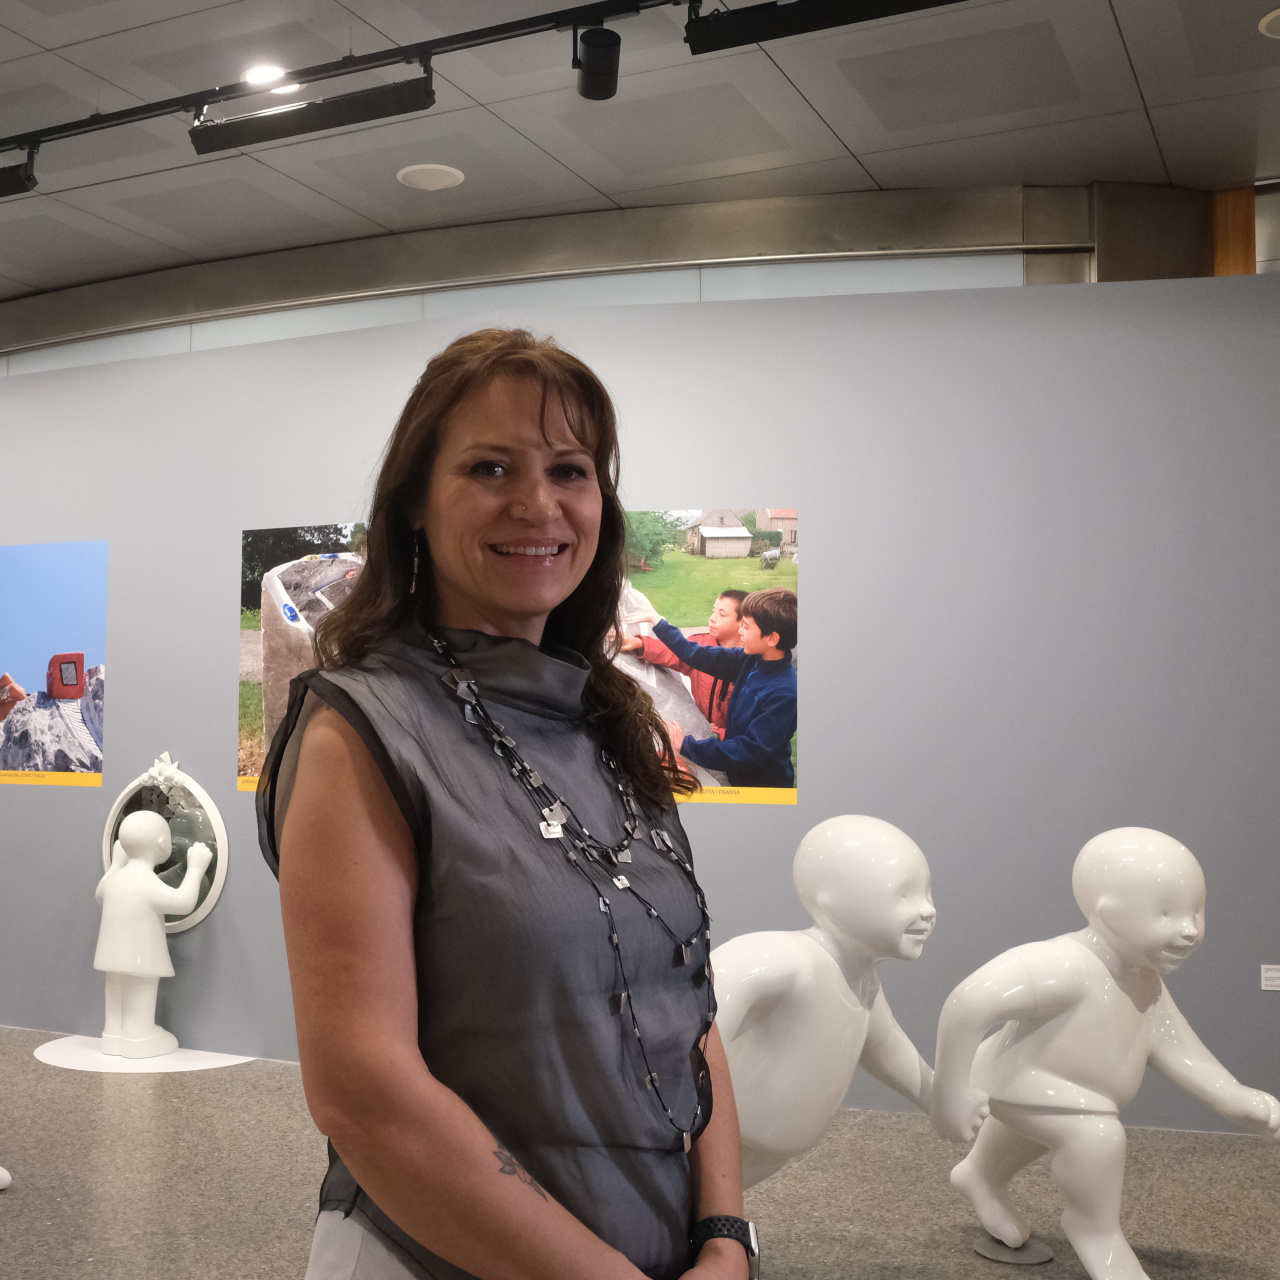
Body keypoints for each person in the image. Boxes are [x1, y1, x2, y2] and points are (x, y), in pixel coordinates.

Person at [257, 329, 753, 1280]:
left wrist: (727, 1235)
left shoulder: (607, 720)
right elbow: (365, 1093)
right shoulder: (361, 731)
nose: (537, 504)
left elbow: (684, 1005)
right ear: (413, 503)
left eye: (570, 470)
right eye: (490, 468)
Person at [930, 827, 1280, 1280]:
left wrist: (1229, 1095)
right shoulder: (1063, 964)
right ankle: (1096, 1231)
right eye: (1166, 913)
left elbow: (1175, 1045)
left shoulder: (1145, 978)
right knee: (1095, 1137)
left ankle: (981, 1174)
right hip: (1028, 1083)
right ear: (1108, 912)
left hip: (1056, 1092)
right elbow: (967, 1004)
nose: (1190, 930)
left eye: (1196, 911)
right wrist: (950, 1096)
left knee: (1044, 1130)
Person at [712, 816, 941, 1189]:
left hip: (774, 1142)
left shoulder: (864, 981)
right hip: (725, 1129)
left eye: (926, 894)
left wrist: (936, 1097)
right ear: (832, 900)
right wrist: (683, 1081)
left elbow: (884, 1046)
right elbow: (723, 982)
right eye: (905, 895)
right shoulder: (792, 959)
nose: (927, 910)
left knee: (720, 1192)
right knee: (691, 1192)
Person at [637, 588, 797, 789]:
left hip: (765, 786)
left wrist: (685, 745)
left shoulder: (784, 694)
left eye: (746, 627)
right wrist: (658, 622)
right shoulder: (750, 660)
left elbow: (748, 750)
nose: (740, 631)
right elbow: (698, 655)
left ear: (771, 639)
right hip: (737, 774)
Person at [94, 809, 212, 1058]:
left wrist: (116, 864)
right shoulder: (147, 881)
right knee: (140, 991)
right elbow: (182, 902)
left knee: (115, 992)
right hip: (141, 957)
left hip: (111, 955)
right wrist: (195, 869)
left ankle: (113, 1035)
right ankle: (139, 1036)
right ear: (161, 844)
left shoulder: (116, 879)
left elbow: (99, 893)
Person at [618, 591, 746, 735]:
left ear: (743, 622)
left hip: (736, 737)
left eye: (722, 614)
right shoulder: (700, 644)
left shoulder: (750, 660)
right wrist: (640, 643)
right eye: (713, 611)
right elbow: (672, 651)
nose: (712, 618)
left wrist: (726, 733)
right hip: (705, 729)